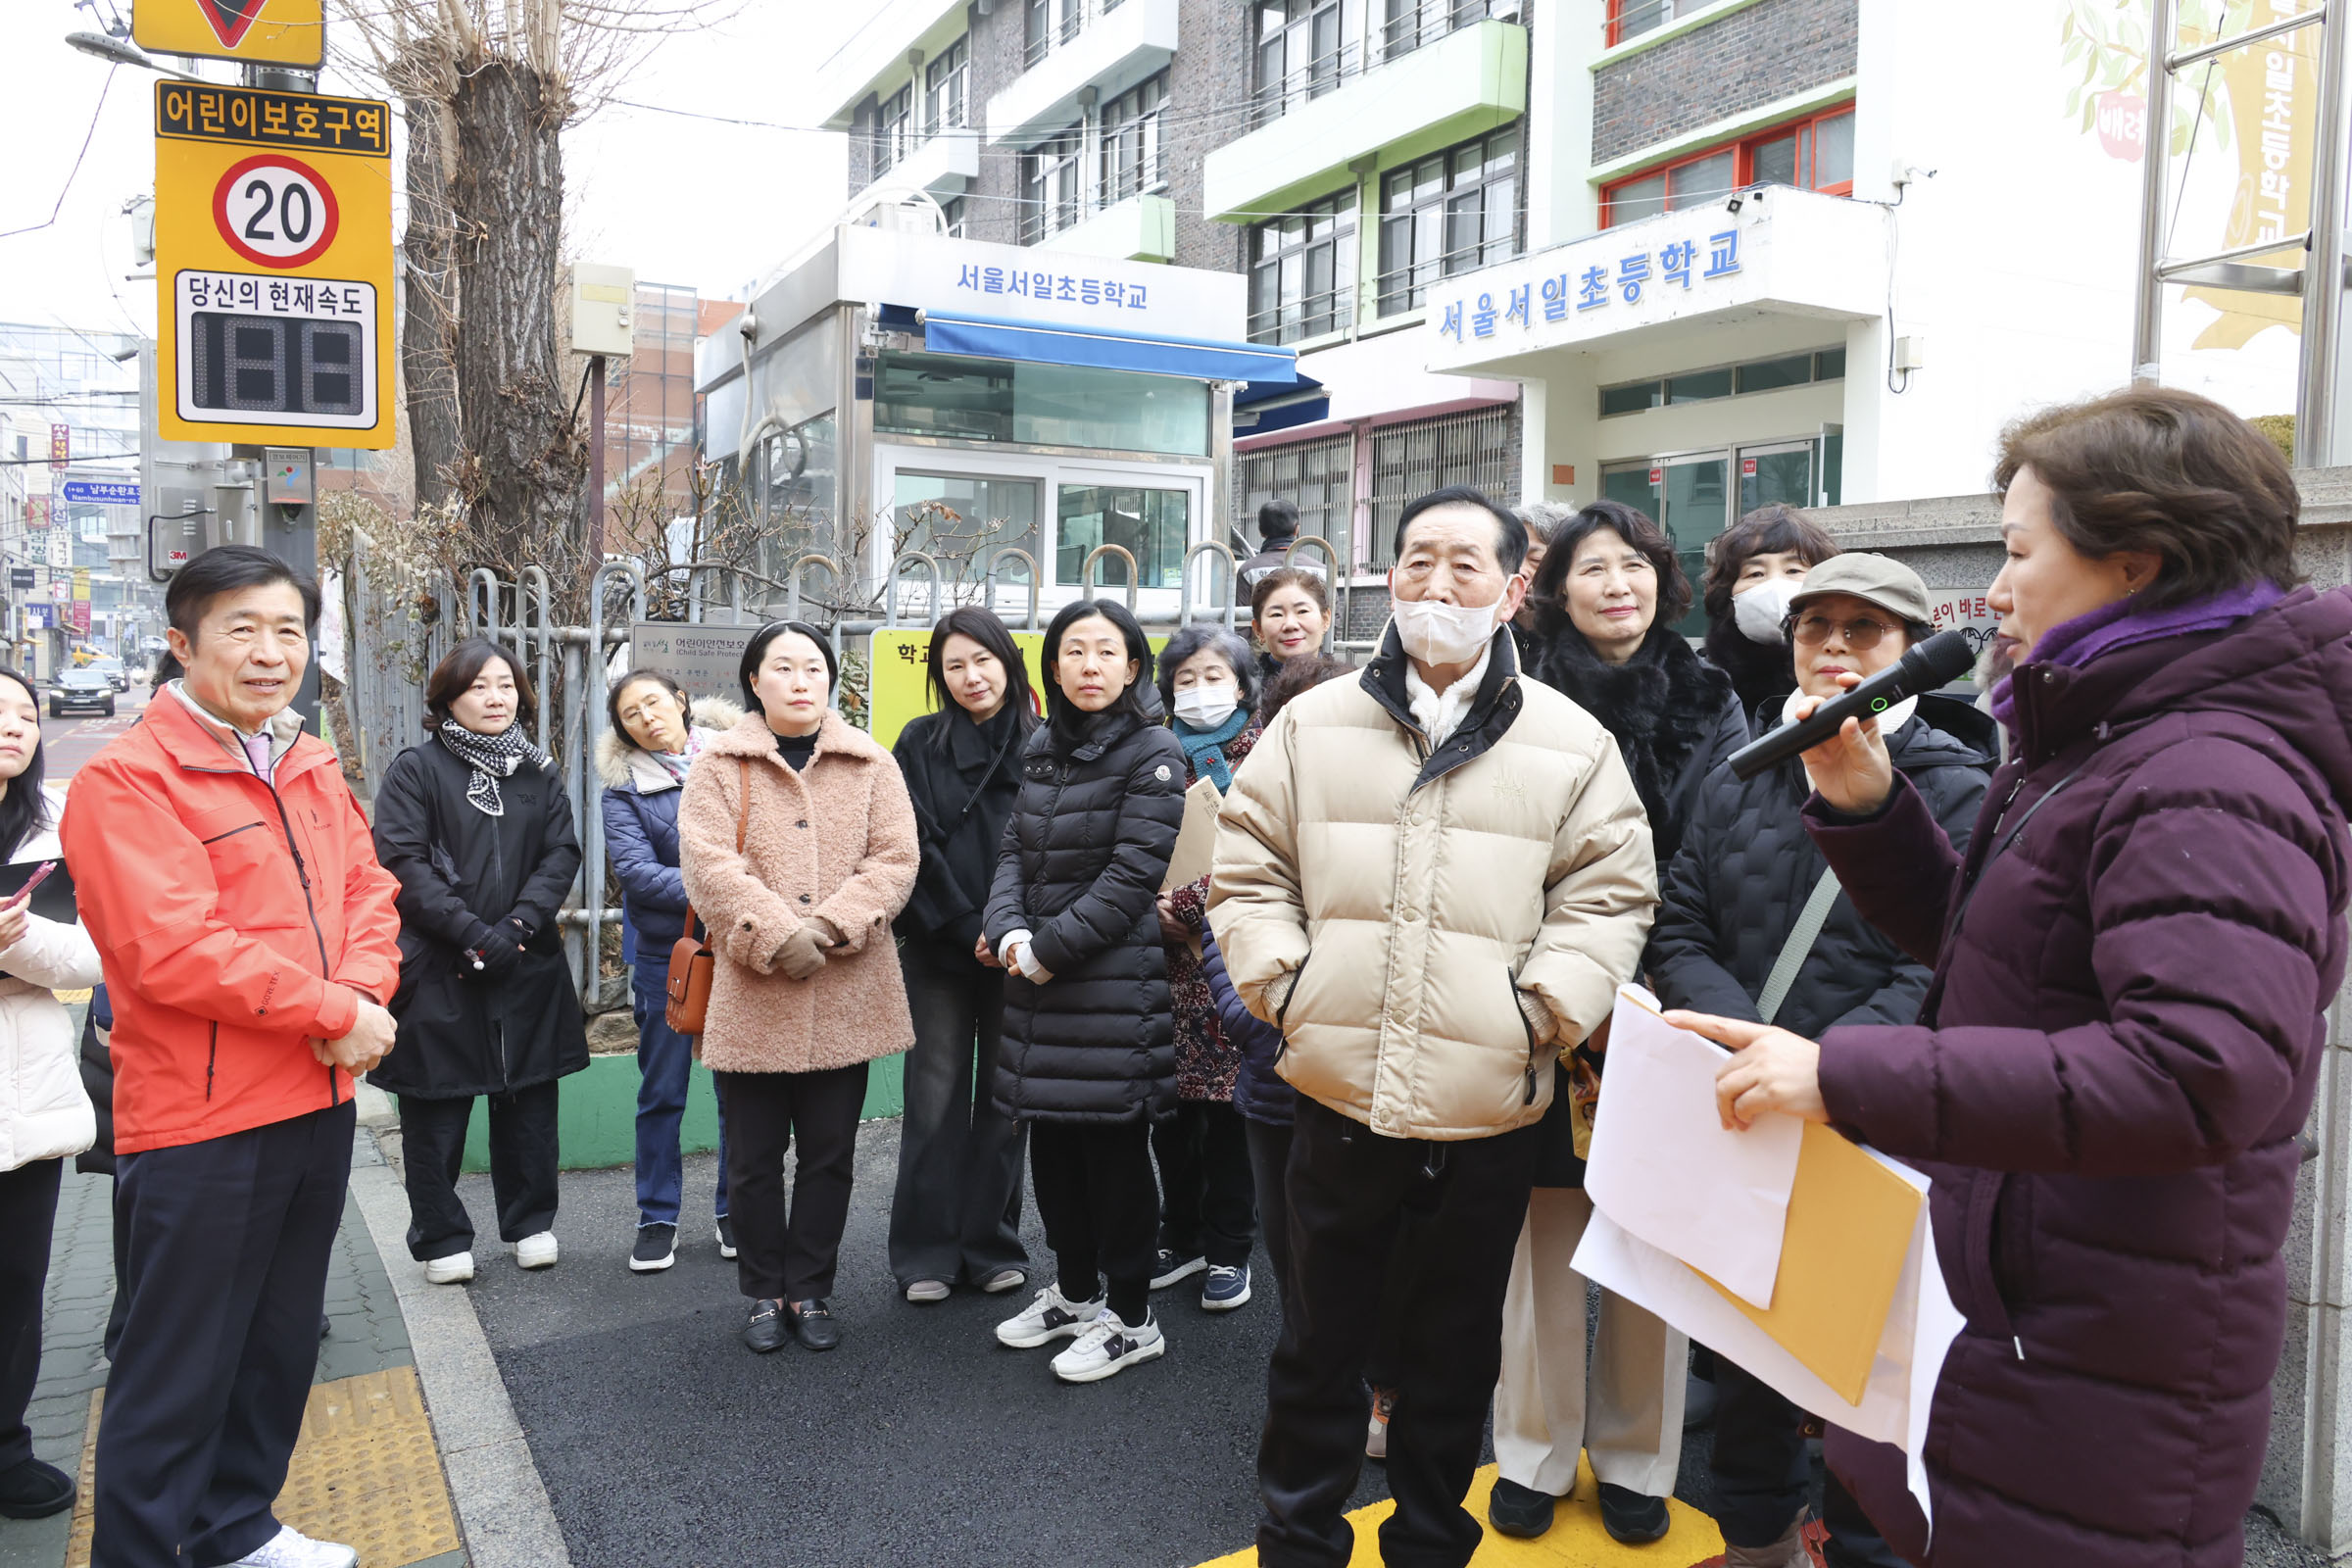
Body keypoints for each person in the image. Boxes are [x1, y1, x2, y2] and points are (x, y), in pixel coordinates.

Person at [1689, 386, 2351, 1568]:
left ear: (2134, 564)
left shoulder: (2211, 771)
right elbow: (2004, 957)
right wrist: (1872, 811)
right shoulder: (2106, 736)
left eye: (2016, 551)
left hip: (2101, 1337)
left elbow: (2199, 1075)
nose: (1989, 592)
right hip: (2029, 1291)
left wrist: (1843, 1072)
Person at [1211, 484, 1657, 1568]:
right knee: (1317, 1351)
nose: (1437, 582)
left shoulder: (1571, 740)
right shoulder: (1312, 723)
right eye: (1417, 560)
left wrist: (1539, 1013)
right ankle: (1298, 1541)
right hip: (1337, 1091)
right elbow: (1245, 865)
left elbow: (1610, 894)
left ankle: (1427, 1543)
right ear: (1390, 578)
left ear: (1513, 588)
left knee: (1456, 1362)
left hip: (1487, 1106)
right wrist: (1290, 987)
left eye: (1467, 564)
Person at [1647, 554, 1992, 1568]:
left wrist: (1825, 1066)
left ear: (1914, 650)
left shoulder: (1962, 787)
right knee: (1747, 1352)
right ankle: (1757, 1543)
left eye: (1866, 628)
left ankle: (1861, 1548)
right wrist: (1746, 1048)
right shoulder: (1740, 768)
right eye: (1814, 626)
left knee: (1869, 1378)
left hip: (1874, 1124)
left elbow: (1946, 963)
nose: (1834, 646)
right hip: (1744, 1106)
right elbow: (1680, 924)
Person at [70, 545, 402, 1568]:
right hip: (201, 1116)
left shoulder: (305, 758)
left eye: (289, 632)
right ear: (181, 644)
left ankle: (235, 1525)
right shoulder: (126, 779)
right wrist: (331, 1010)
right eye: (241, 631)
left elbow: (368, 893)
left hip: (314, 1099)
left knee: (277, 1339)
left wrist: (363, 995)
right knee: (178, 1367)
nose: (270, 654)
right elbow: (169, 949)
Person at [1487, 497, 1749, 1544]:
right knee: (1541, 1232)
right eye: (1594, 567)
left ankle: (1640, 1455)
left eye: (1635, 566)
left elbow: (1720, 845)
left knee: (1652, 1235)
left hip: (1664, 998)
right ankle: (1533, 1451)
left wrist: (1657, 974)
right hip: (1544, 994)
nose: (1617, 585)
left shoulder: (1711, 693)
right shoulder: (1517, 690)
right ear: (1560, 585)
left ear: (1662, 580)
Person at [679, 622, 918, 1354]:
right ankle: (761, 1293)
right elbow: (708, 863)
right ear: (755, 680)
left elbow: (896, 859)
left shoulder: (871, 762)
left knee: (828, 1154)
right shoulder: (720, 763)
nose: (800, 680)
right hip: (754, 995)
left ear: (831, 679)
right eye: (783, 667)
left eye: (813, 667)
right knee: (751, 1160)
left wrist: (834, 927)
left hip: (846, 991)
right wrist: (779, 936)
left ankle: (810, 1288)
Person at [986, 598, 1187, 1385]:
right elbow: (1013, 852)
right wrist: (1007, 932)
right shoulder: (1043, 746)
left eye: (1107, 652)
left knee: (1113, 1157)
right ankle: (1073, 1293)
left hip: (1108, 988)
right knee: (1056, 1152)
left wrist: (1045, 952)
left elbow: (1134, 876)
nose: (1090, 666)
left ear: (1133, 666)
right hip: (1040, 982)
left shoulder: (1153, 750)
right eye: (1075, 651)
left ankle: (1133, 1318)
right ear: (1054, 666)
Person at [371, 639, 590, 1284]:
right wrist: (471, 933)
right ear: (447, 700)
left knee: (528, 1103)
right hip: (440, 965)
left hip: (526, 962)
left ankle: (530, 1224)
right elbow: (403, 862)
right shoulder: (417, 770)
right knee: (436, 1107)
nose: (495, 698)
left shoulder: (536, 772)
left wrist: (518, 925)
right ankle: (440, 1236)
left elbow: (561, 853)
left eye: (505, 686)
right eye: (478, 688)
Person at [888, 608, 1037, 1303]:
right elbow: (907, 844)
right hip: (940, 949)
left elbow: (1060, 847)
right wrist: (962, 926)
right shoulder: (918, 743)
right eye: (955, 665)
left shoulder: (1047, 741)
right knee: (933, 1099)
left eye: (983, 659)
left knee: (1007, 1102)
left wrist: (1010, 930)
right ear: (939, 676)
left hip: (1025, 950)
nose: (972, 676)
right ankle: (925, 1253)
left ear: (1008, 659)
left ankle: (991, 1243)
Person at [1196, 653, 1353, 1308]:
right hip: (1273, 1066)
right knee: (1293, 1254)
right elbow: (1219, 915)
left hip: (1365, 1079)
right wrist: (1247, 1015)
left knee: (1364, 1253)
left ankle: (1376, 1393)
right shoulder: (1251, 811)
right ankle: (1313, 1394)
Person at [0, 668, 103, 1522]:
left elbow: (96, 954)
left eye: (26, 714)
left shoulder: (53, 829)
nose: (15, 726)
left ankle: (7, 1445)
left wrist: (20, 940)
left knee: (16, 1281)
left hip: (21, 1093)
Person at [598, 669, 742, 1273]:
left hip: (742, 946)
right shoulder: (623, 790)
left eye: (654, 702)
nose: (647, 718)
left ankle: (738, 1208)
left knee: (740, 1088)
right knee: (662, 1090)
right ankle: (656, 1217)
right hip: (669, 954)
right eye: (631, 714)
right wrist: (728, 888)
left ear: (681, 702)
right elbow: (635, 874)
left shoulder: (737, 760)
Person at [1150, 625, 1263, 1312]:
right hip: (1160, 962)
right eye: (1185, 679)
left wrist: (1190, 904)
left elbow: (1273, 851)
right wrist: (1149, 910)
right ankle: (1179, 1231)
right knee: (1169, 1112)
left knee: (1229, 1120)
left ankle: (1229, 1248)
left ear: (1244, 684)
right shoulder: (1154, 755)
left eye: (1214, 675)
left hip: (1234, 960)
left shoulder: (1271, 751)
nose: (1199, 690)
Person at [1699, 504, 1843, 715]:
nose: (1775, 585)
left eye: (1793, 570)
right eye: (1756, 573)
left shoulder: (1851, 678)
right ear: (1728, 591)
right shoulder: (1697, 687)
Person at [1250, 566, 1335, 684]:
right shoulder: (1244, 690)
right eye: (1277, 614)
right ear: (1258, 629)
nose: (1290, 625)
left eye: (1302, 611)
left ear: (1325, 619)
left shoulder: (1349, 685)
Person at [1240, 499, 1324, 589]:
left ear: (1261, 531)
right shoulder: (1322, 570)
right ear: (1297, 529)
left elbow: (1239, 603)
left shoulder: (1248, 570)